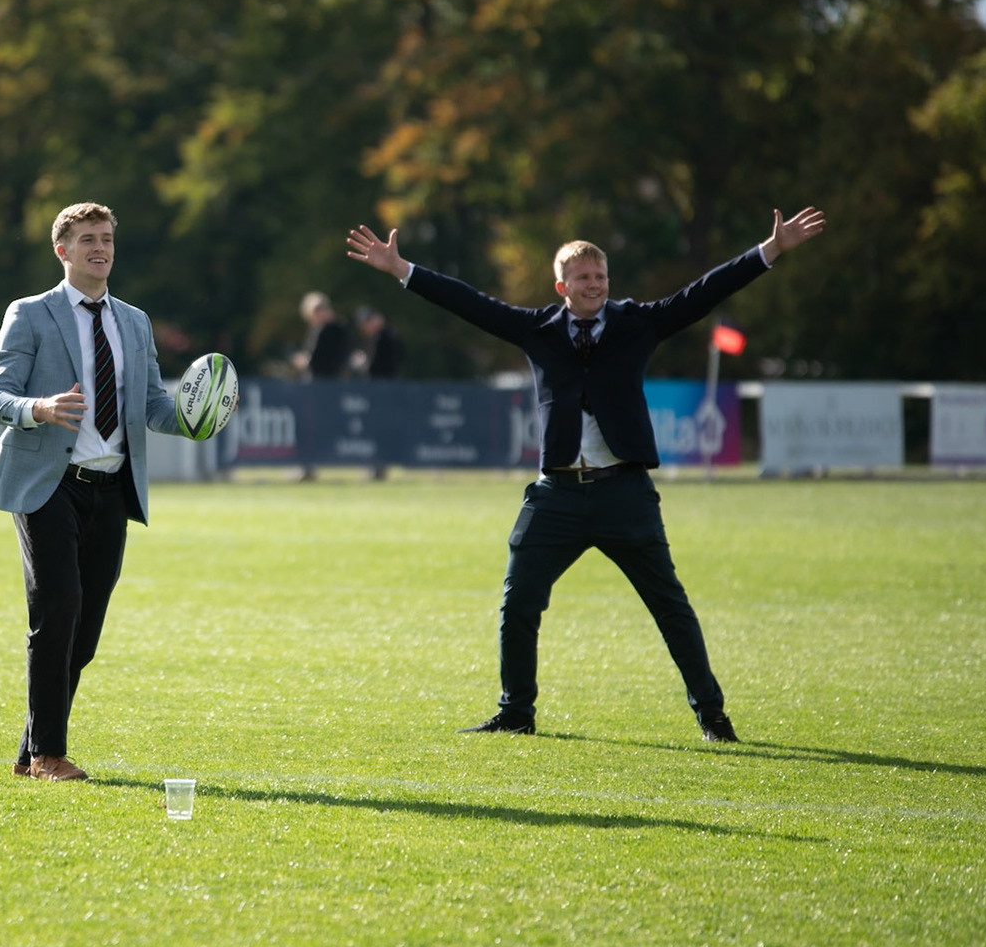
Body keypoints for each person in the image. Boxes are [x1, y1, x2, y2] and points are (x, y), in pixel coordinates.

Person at [345, 207, 827, 741]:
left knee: (670, 607)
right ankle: (515, 714)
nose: (595, 284)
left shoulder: (637, 323)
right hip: (557, 497)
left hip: (625, 494)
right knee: (518, 602)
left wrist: (770, 251)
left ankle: (713, 717)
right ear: (562, 286)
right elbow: (470, 304)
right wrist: (402, 269)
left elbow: (703, 293)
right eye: (583, 278)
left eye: (600, 276)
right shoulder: (538, 331)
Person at [0, 202, 180, 782]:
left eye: (108, 239)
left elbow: (154, 407)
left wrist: (197, 416)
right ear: (62, 250)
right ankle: (49, 755)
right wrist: (39, 408)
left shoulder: (135, 322)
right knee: (58, 611)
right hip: (46, 487)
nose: (101, 248)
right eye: (88, 239)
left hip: (111, 490)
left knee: (85, 632)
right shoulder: (29, 314)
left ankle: (29, 751)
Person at [291, 291, 351, 380]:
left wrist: (307, 362)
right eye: (317, 310)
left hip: (332, 380)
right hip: (316, 380)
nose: (321, 312)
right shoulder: (315, 330)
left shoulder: (337, 328)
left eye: (323, 308)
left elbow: (329, 357)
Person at [354, 306, 404, 379]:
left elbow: (392, 363)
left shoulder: (389, 337)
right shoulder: (375, 338)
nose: (365, 329)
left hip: (387, 381)